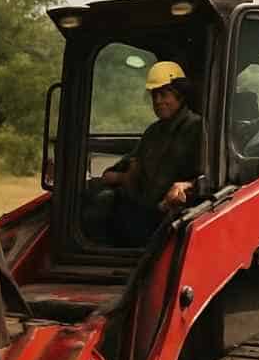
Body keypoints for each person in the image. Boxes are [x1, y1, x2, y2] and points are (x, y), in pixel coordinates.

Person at [86, 61, 204, 247]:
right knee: (95, 196)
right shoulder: (153, 132)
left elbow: (209, 177)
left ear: (180, 96)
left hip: (170, 218)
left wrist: (187, 185)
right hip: (142, 209)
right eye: (154, 95)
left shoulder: (198, 129)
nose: (158, 101)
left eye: (164, 94)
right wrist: (125, 176)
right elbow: (115, 171)